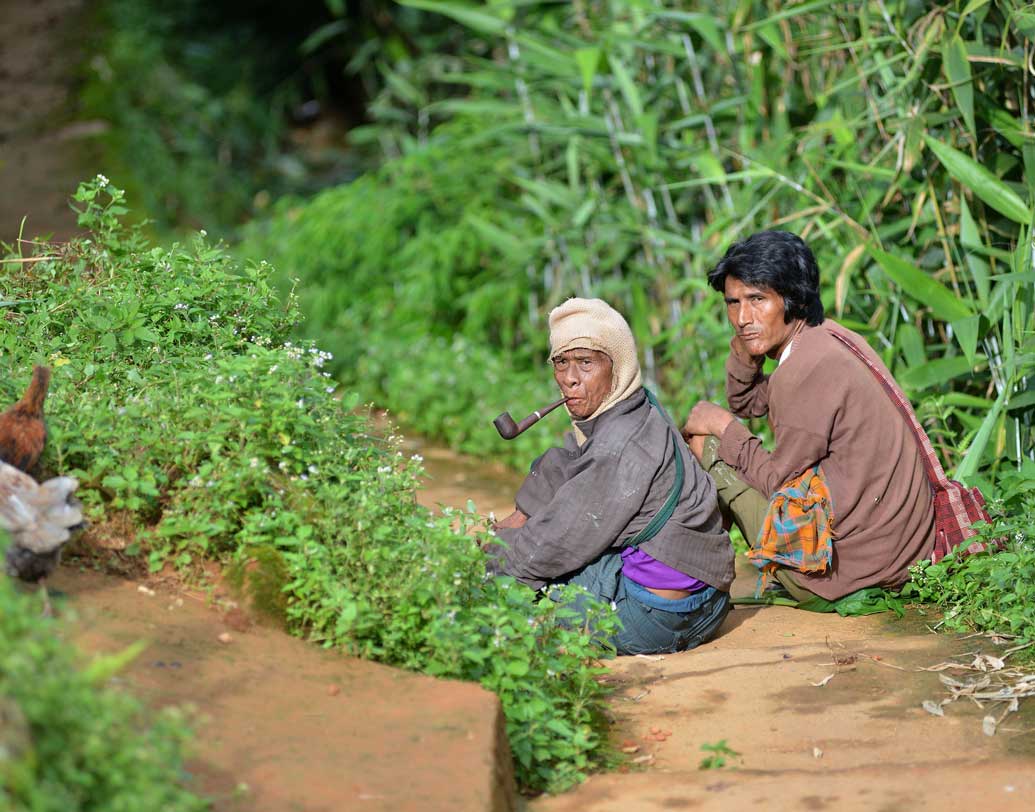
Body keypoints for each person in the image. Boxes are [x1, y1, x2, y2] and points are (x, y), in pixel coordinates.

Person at [681, 230, 935, 604]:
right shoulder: (825, 338)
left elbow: (776, 481)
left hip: (847, 572)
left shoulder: (805, 370)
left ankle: (700, 579)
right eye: (733, 303)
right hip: (892, 553)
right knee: (721, 438)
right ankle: (712, 570)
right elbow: (750, 402)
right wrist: (744, 355)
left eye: (757, 300)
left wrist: (721, 426)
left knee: (705, 442)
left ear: (791, 298)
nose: (741, 318)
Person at [487, 297, 734, 655]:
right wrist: (519, 521)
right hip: (710, 599)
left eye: (586, 363)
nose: (570, 379)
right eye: (561, 363)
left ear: (617, 366)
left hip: (660, 617)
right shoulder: (642, 407)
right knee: (556, 465)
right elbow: (567, 461)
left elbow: (550, 547)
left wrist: (487, 560)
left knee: (525, 592)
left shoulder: (617, 446)